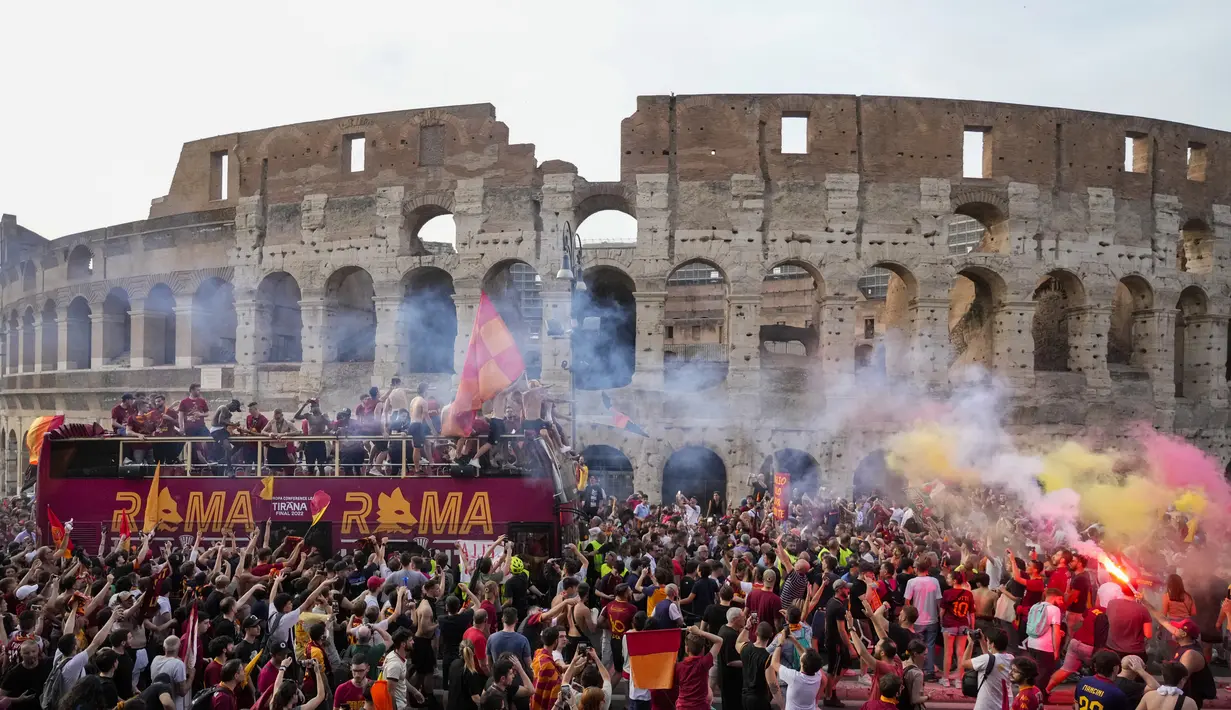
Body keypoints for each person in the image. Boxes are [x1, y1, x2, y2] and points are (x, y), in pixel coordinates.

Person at [904, 557, 942, 680]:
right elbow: (938, 601)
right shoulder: (934, 581)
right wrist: (939, 616)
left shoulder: (912, 582)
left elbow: (907, 601)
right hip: (932, 619)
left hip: (917, 619)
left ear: (916, 568)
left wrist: (908, 617)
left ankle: (917, 670)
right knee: (930, 645)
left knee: (917, 646)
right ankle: (930, 671)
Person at [959, 626, 1014, 710]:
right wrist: (982, 640)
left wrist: (970, 643)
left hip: (986, 706)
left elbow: (964, 663)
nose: (987, 642)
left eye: (987, 641)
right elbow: (991, 659)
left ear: (992, 644)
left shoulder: (986, 660)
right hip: (1004, 706)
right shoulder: (1010, 658)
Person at [769, 630, 825, 710]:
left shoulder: (794, 677)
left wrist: (780, 643)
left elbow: (774, 663)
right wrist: (794, 641)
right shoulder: (817, 675)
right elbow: (805, 656)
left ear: (802, 663)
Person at [1023, 587, 1063, 696]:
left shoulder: (1035, 606)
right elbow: (1055, 633)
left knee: (1034, 673)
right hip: (1045, 647)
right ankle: (1037, 697)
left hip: (1032, 644)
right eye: (1060, 599)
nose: (1061, 602)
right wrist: (1056, 651)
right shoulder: (1055, 609)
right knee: (1044, 674)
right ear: (1054, 597)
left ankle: (1028, 694)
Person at [674, 625, 723, 710]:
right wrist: (700, 632)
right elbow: (719, 640)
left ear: (686, 648)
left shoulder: (678, 667)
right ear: (703, 649)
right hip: (701, 707)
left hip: (683, 707)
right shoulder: (704, 663)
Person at [939, 569, 973, 687]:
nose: (947, 579)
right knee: (960, 653)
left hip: (949, 624)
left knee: (948, 653)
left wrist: (941, 621)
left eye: (948, 578)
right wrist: (971, 626)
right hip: (963, 624)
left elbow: (942, 610)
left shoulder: (947, 593)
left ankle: (946, 679)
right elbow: (971, 613)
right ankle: (959, 680)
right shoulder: (968, 594)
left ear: (954, 580)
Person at [740, 621, 775, 710]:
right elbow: (772, 685)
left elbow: (738, 641)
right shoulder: (768, 658)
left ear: (756, 633)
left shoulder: (745, 648)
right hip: (760, 700)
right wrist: (782, 704)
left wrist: (747, 627)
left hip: (745, 697)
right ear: (771, 635)